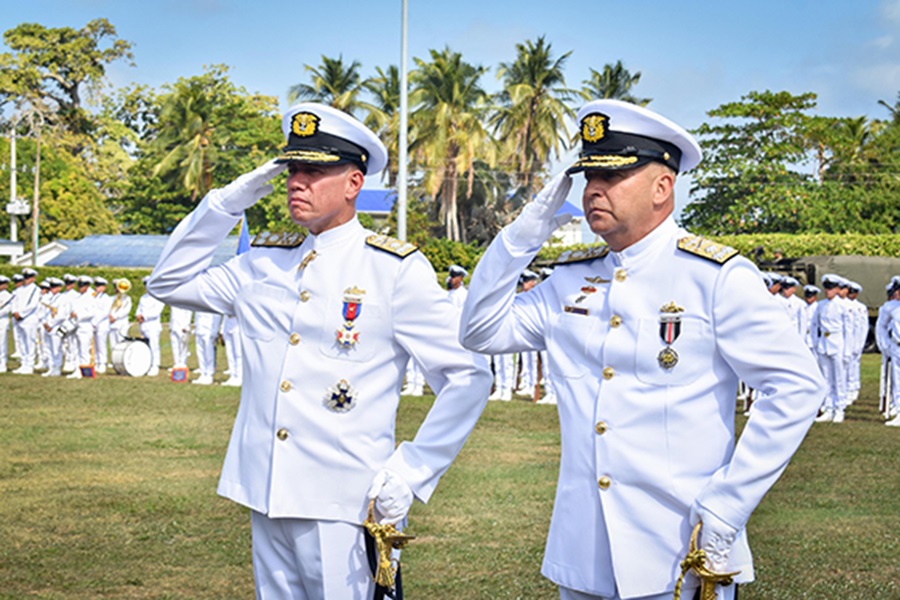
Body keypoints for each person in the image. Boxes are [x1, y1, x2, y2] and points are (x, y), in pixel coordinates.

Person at [459, 99, 825, 600]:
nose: (593, 191)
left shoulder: (713, 277)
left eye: (612, 176)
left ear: (662, 187)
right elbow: (479, 331)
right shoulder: (568, 280)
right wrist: (523, 235)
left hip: (681, 551)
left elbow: (798, 387)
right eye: (589, 177)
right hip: (584, 555)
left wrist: (727, 506)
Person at [146, 101, 492, 599]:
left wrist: (413, 470)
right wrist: (225, 203)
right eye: (292, 169)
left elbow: (468, 375)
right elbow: (167, 281)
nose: (296, 181)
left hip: (343, 500)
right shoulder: (261, 264)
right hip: (264, 489)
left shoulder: (392, 269)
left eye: (314, 170)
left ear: (354, 183)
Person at [68, 276, 97, 378]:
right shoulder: (78, 297)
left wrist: (78, 315)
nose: (80, 288)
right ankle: (77, 369)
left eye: (83, 286)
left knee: (84, 350)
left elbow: (92, 313)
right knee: (75, 349)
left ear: (87, 286)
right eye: (79, 286)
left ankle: (84, 371)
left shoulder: (91, 297)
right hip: (76, 326)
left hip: (85, 326)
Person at [135, 276, 164, 377]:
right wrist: (138, 315)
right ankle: (146, 364)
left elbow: (156, 312)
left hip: (153, 325)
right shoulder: (143, 297)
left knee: (154, 346)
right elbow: (139, 309)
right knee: (145, 346)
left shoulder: (158, 297)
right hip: (143, 325)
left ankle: (155, 364)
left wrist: (144, 316)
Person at [192, 310, 222, 385]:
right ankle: (203, 373)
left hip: (208, 330)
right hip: (199, 328)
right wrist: (196, 326)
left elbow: (217, 315)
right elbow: (197, 314)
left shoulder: (212, 302)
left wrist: (215, 330)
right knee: (200, 353)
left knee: (209, 353)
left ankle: (209, 374)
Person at [91, 277, 113, 374]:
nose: (97, 288)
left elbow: (105, 312)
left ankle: (102, 362)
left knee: (101, 344)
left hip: (102, 324)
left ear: (104, 287)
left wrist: (96, 321)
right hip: (93, 323)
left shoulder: (107, 298)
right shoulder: (92, 296)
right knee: (94, 344)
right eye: (96, 286)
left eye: (100, 286)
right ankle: (96, 362)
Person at [220, 313, 242, 387]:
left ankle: (239, 376)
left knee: (238, 353)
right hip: (227, 325)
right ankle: (233, 375)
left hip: (237, 325)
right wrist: (222, 330)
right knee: (230, 353)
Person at [0, 275, 11, 373]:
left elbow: (6, 310)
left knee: (2, 343)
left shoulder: (7, 295)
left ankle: (2, 364)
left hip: (2, 321)